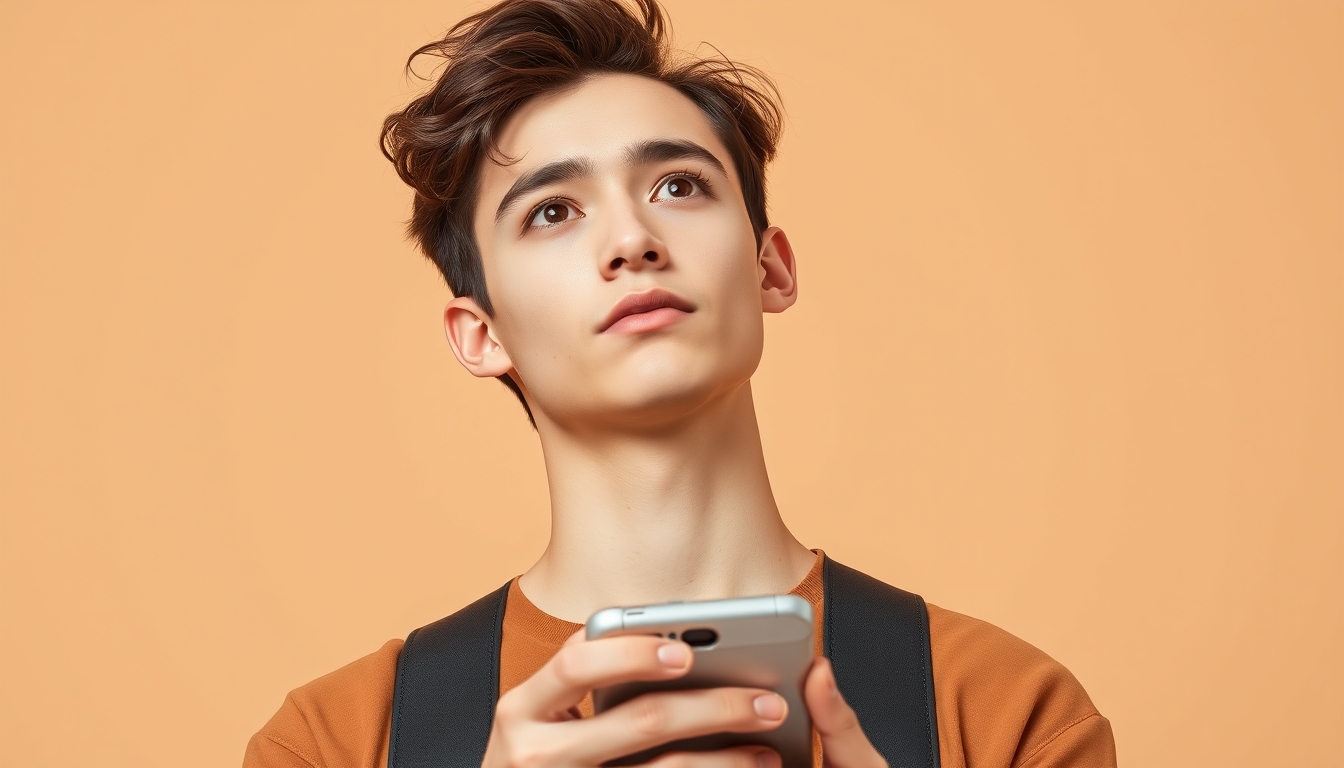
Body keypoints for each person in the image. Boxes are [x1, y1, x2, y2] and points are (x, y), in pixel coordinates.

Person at [243, 1, 1117, 766]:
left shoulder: (1007, 714)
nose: (631, 237)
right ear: (483, 334)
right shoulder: (338, 742)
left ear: (770, 269)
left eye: (678, 184)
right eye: (552, 210)